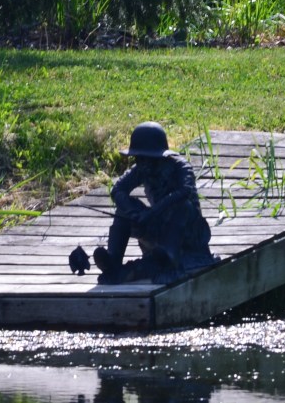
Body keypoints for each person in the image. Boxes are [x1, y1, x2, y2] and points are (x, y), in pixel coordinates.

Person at [93, 122, 216, 284]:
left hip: (188, 233)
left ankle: (171, 260)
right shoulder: (142, 169)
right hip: (159, 225)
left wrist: (153, 212)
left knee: (182, 206)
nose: (140, 162)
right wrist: (133, 212)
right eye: (138, 157)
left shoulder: (180, 166)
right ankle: (113, 261)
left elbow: (185, 191)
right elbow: (118, 190)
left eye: (144, 157)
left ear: (156, 156)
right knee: (123, 209)